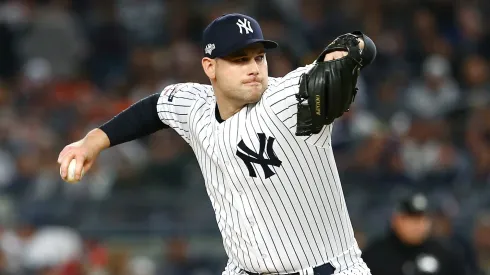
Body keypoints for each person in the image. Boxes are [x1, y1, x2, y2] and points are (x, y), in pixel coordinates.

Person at [58, 13, 376, 275]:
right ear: (210, 67)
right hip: (243, 269)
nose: (253, 68)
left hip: (325, 268)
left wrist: (347, 52)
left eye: (259, 57)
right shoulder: (195, 106)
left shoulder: (287, 99)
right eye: (239, 59)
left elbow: (359, 47)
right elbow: (153, 109)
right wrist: (91, 142)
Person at [362, 193, 467, 275]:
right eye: (411, 219)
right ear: (396, 220)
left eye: (422, 219)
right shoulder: (375, 255)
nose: (417, 225)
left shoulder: (445, 254)